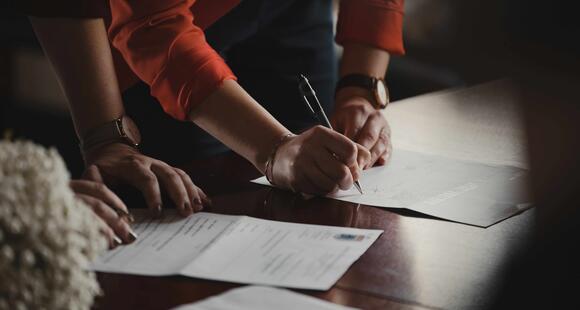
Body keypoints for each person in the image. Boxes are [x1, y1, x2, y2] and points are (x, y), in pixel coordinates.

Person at [81, 0, 404, 198]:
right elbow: (156, 27)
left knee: (318, 173)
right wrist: (272, 148)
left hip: (295, 9)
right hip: (170, 30)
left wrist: (359, 91)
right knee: (204, 194)